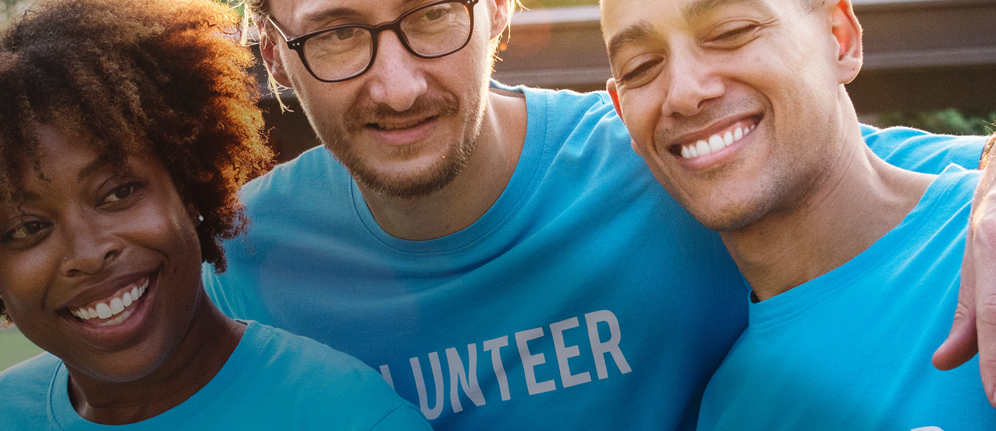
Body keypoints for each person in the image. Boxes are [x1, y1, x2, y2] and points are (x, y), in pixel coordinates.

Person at [203, 0, 993, 429]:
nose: (398, 84)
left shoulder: (662, 157)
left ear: (500, 10)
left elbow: (871, 174)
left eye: (434, 12)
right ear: (276, 55)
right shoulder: (237, 259)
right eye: (338, 34)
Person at [0, 0, 432, 429]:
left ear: (191, 186)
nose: (87, 250)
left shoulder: (348, 416)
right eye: (27, 228)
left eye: (119, 192)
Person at [600, 0, 996, 427]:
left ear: (839, 39)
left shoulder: (982, 247)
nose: (684, 92)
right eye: (640, 67)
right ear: (623, 115)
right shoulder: (727, 413)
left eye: (731, 32)